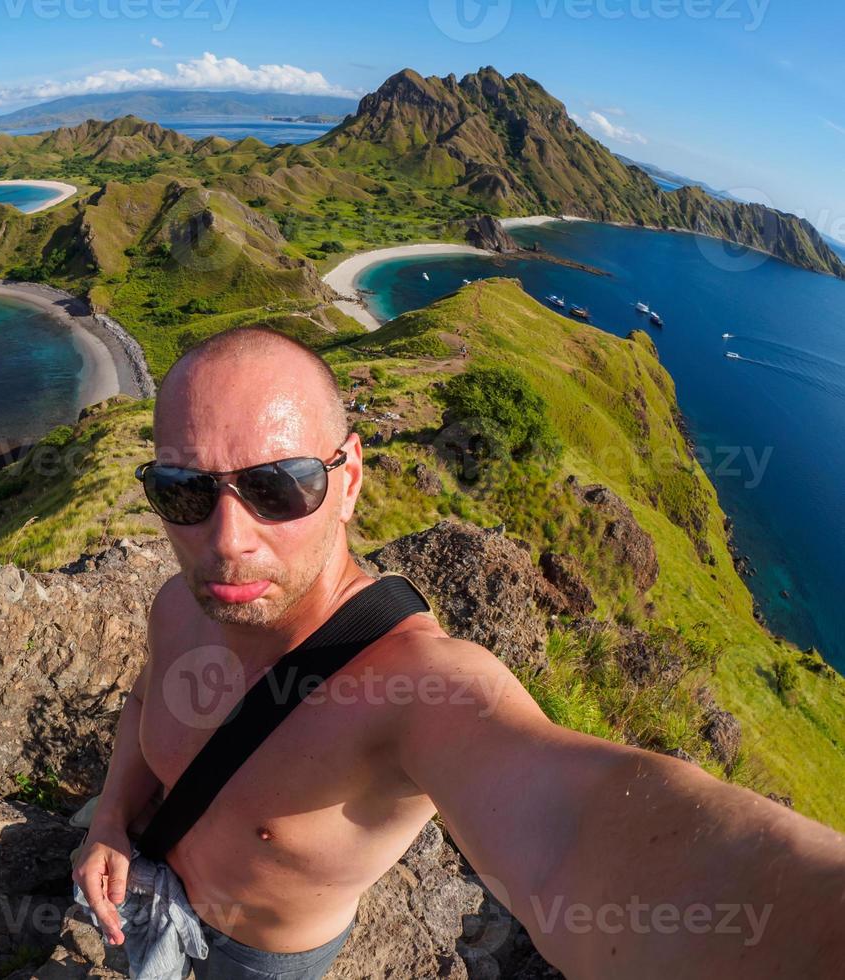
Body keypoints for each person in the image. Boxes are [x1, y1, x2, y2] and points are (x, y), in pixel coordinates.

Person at [72, 326, 845, 979]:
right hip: (145, 884)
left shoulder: (416, 690)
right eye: (183, 489)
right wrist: (110, 819)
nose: (228, 539)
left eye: (279, 486)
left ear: (348, 480)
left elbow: (573, 829)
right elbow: (148, 701)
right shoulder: (177, 604)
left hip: (258, 960)